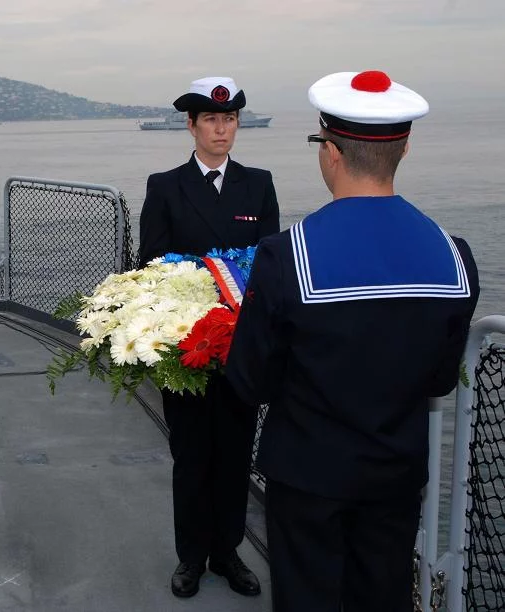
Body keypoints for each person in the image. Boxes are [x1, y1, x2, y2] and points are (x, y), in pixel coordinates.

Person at [226, 70, 480, 611]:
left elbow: (249, 381)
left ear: (330, 152)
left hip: (308, 478)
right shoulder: (454, 255)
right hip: (396, 477)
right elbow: (438, 378)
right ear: (404, 148)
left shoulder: (285, 255)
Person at [138, 76, 279, 599]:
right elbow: (149, 266)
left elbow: (268, 271)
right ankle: (190, 556)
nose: (222, 129)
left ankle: (228, 551)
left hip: (240, 351)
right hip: (189, 349)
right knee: (192, 456)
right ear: (192, 125)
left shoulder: (258, 184)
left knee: (236, 454)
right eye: (212, 120)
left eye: (230, 119)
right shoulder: (165, 186)